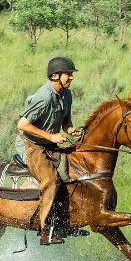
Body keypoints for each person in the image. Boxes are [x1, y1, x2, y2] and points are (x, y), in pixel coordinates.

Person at [16, 57, 83, 245]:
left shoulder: (67, 94)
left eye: (71, 74)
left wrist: (71, 130)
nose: (71, 78)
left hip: (47, 144)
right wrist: (52, 137)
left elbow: (66, 121)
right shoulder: (44, 97)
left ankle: (63, 224)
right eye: (68, 74)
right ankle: (45, 229)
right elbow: (22, 125)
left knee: (71, 178)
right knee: (51, 181)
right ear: (55, 76)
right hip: (31, 145)